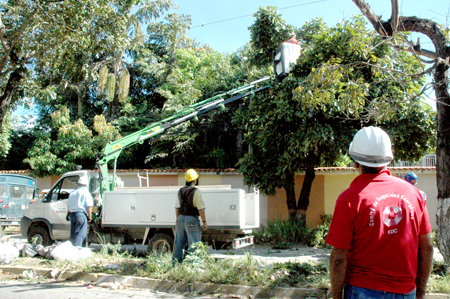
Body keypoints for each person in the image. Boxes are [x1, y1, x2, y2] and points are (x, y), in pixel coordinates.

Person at [326, 126, 434, 299]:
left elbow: (339, 257)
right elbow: (427, 248)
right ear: (387, 160)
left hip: (361, 290)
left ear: (355, 162)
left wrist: (337, 296)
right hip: (406, 292)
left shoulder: (349, 198)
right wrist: (420, 293)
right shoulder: (414, 194)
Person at [172, 169, 207, 263]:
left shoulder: (180, 191)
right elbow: (201, 209)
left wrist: (178, 220)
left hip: (181, 218)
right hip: (192, 219)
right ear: (195, 180)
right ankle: (194, 265)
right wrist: (204, 222)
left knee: (179, 243)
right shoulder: (196, 192)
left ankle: (176, 264)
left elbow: (177, 207)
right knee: (194, 243)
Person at [67, 176, 93, 247]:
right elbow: (89, 205)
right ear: (86, 185)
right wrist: (89, 216)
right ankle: (77, 249)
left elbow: (69, 205)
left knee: (73, 233)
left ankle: (72, 249)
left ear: (78, 184)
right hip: (81, 215)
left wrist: (68, 214)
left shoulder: (72, 193)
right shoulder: (86, 193)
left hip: (72, 215)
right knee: (80, 233)